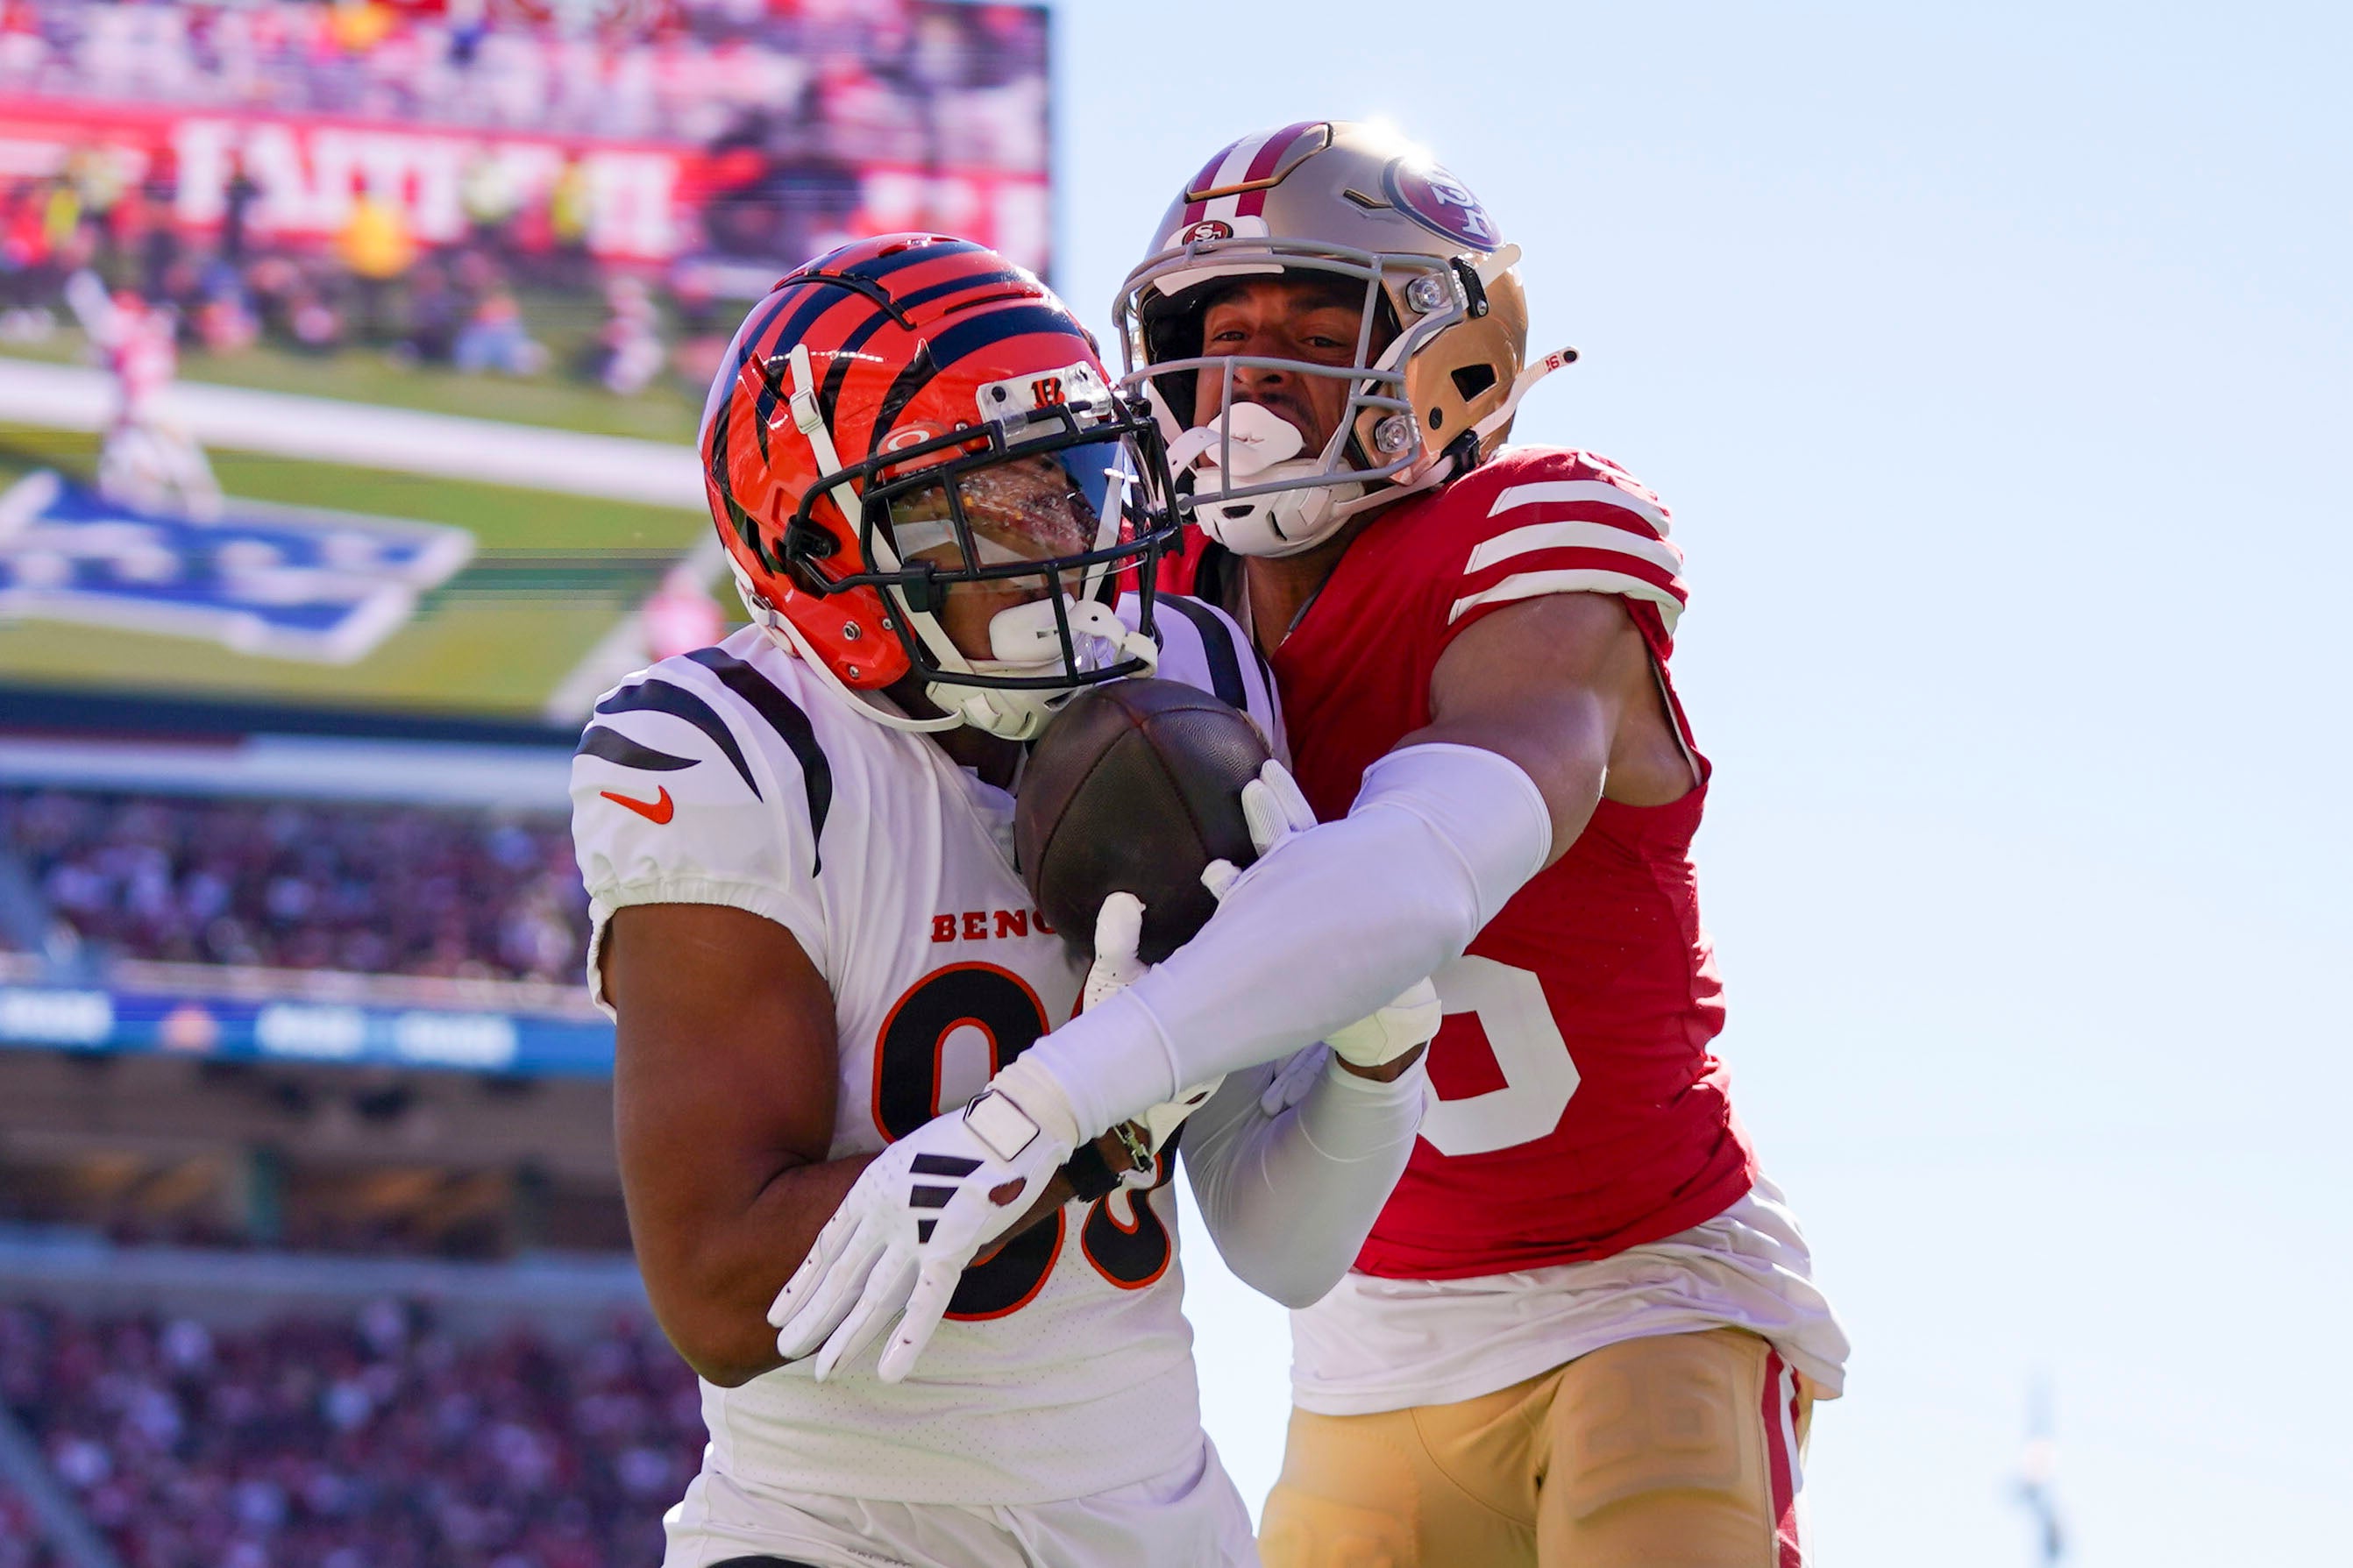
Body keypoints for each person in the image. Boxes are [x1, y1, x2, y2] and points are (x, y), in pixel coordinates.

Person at [776, 125, 1851, 1567]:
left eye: (1310, 322)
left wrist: (1038, 1105)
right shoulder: (1150, 606)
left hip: (1639, 1290)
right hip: (1360, 1342)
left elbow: (1411, 880)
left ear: (1454, 353)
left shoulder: (1524, 538)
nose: (1247, 373)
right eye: (1213, 334)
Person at [571, 233, 1434, 1568]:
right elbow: (723, 1288)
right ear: (825, 548)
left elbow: (1284, 1244)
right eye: (993, 505)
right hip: (834, 1531)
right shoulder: (736, 748)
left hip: (1155, 1522)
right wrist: (1082, 1122)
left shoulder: (1193, 673)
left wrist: (1377, 1055)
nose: (1068, 549)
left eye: (1075, 483)